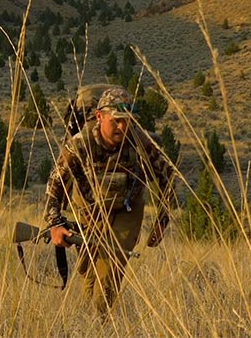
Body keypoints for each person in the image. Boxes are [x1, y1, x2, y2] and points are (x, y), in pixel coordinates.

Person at [44, 86, 175, 314]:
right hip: (89, 209)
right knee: (89, 271)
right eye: (116, 121)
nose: (122, 127)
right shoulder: (79, 144)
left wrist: (162, 221)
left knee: (111, 264)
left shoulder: (141, 143)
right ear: (99, 117)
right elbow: (55, 185)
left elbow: (169, 178)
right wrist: (55, 224)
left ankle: (100, 319)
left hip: (127, 207)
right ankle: (90, 320)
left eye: (127, 121)